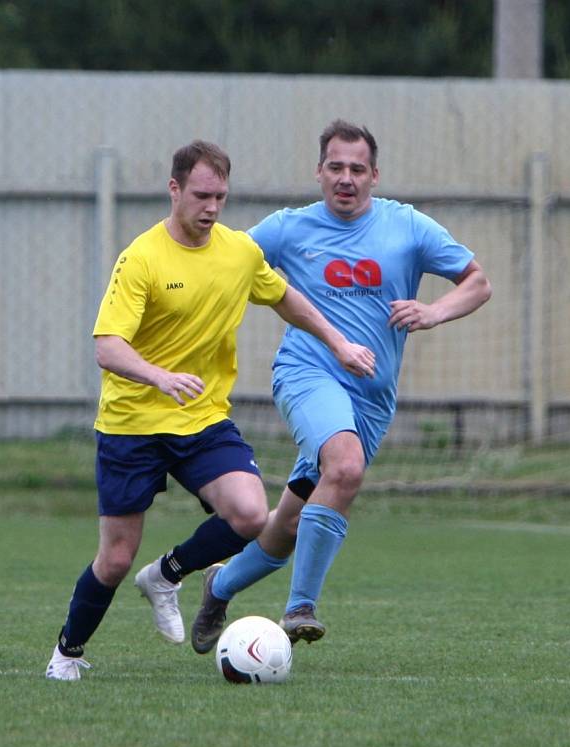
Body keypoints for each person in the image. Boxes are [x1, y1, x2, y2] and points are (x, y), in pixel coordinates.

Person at [45, 139, 375, 680]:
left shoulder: (239, 252)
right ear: (174, 190)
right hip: (132, 425)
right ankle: (67, 653)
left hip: (200, 418)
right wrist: (159, 375)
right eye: (201, 195)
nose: (212, 208)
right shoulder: (142, 258)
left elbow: (285, 296)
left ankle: (168, 574)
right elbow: (107, 346)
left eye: (221, 196)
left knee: (249, 515)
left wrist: (338, 343)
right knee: (116, 558)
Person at [180, 119, 492, 654]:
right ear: (318, 172)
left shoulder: (408, 227)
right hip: (306, 373)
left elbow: (477, 282)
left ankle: (219, 585)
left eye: (356, 168)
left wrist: (433, 311)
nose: (345, 178)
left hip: (372, 397)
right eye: (335, 167)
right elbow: (222, 265)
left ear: (375, 175)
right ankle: (301, 606)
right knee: (344, 467)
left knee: (289, 524)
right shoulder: (288, 229)